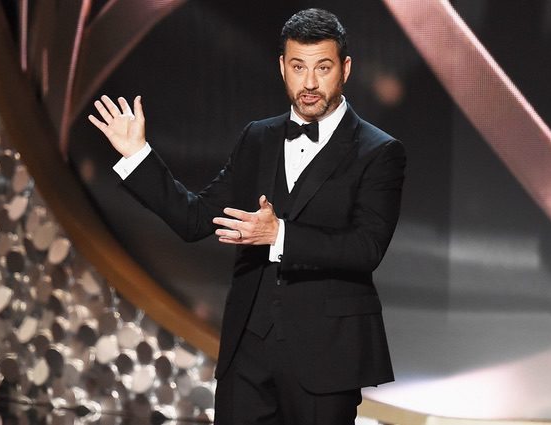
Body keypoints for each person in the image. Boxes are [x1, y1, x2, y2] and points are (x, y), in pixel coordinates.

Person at [89, 8, 405, 425]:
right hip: (248, 355)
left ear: (345, 69)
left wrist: (280, 235)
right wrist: (137, 157)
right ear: (281, 67)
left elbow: (366, 248)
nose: (309, 83)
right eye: (298, 67)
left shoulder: (379, 151)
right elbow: (195, 219)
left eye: (322, 67)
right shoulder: (257, 138)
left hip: (325, 357)